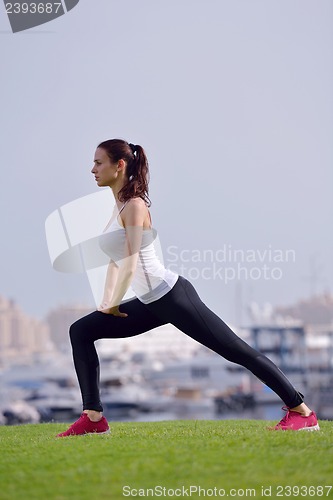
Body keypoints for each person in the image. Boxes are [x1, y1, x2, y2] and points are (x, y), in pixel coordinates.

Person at [56, 139, 319, 437]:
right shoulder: (118, 204)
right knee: (81, 331)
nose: (92, 169)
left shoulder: (135, 205)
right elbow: (115, 261)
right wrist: (107, 303)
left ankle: (302, 412)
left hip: (172, 296)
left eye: (98, 162)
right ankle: (93, 417)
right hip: (149, 301)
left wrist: (115, 302)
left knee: (237, 351)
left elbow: (129, 263)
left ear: (119, 165)